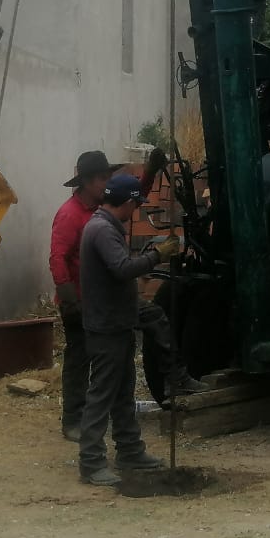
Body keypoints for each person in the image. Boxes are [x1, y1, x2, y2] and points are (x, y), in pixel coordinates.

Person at [49, 149, 201, 441]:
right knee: (80, 360)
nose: (108, 183)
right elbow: (57, 259)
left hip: (114, 299)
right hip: (81, 301)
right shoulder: (70, 215)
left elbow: (130, 198)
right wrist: (70, 302)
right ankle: (73, 420)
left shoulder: (102, 206)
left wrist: (151, 173)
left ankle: (176, 377)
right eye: (104, 178)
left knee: (154, 317)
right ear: (89, 181)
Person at [77, 173, 181, 486]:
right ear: (126, 201)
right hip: (107, 327)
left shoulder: (104, 226)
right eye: (136, 204)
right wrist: (156, 256)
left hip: (116, 324)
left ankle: (130, 450)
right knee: (102, 394)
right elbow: (122, 269)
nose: (136, 210)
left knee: (123, 394)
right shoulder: (102, 230)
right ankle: (91, 462)